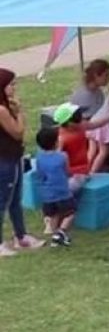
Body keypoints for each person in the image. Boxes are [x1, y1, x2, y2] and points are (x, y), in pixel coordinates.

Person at [0, 69, 41, 255]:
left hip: (13, 157)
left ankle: (21, 236)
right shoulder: (1, 110)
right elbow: (17, 132)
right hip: (5, 160)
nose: (15, 87)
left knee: (16, 199)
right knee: (3, 200)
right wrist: (20, 114)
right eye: (12, 84)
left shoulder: (6, 106)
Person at [72, 59, 109, 174]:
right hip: (87, 127)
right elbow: (80, 119)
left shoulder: (98, 92)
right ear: (96, 76)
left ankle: (89, 168)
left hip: (95, 126)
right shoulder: (83, 95)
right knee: (103, 149)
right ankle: (94, 169)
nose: (108, 78)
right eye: (106, 75)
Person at [32, 127, 76, 246]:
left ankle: (55, 237)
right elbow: (67, 172)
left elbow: (40, 175)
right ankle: (61, 232)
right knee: (70, 213)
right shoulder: (63, 156)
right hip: (62, 192)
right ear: (56, 142)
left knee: (53, 215)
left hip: (47, 194)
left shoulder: (39, 158)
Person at [51, 104, 90, 191]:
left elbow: (97, 123)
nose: (82, 119)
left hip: (81, 172)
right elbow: (56, 159)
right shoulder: (62, 138)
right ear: (69, 122)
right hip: (70, 174)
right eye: (78, 118)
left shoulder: (79, 127)